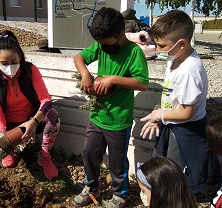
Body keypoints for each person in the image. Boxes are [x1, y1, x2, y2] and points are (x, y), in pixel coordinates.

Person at [72, 7, 149, 208]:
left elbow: (142, 83)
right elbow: (79, 58)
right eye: (100, 44)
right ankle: (91, 186)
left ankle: (120, 195)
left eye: (106, 44)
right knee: (89, 153)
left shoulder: (133, 53)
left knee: (117, 161)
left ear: (121, 34)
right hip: (97, 116)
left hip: (118, 119)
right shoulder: (100, 47)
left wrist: (113, 79)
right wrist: (85, 74)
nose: (103, 48)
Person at [139, 10, 221, 196]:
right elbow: (173, 95)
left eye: (161, 45)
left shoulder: (188, 71)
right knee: (163, 167)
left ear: (181, 44)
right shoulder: (176, 58)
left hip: (186, 129)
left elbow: (186, 113)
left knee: (177, 174)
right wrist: (160, 111)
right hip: (172, 124)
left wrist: (158, 115)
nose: (157, 50)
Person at [0, 30, 60, 180]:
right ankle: (9, 151)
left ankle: (44, 155)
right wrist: (1, 136)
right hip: (9, 124)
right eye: (4, 63)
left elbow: (46, 100)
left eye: (14, 62)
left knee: (53, 116)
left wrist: (34, 121)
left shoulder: (31, 71)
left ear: (20, 55)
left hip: (31, 119)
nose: (10, 67)